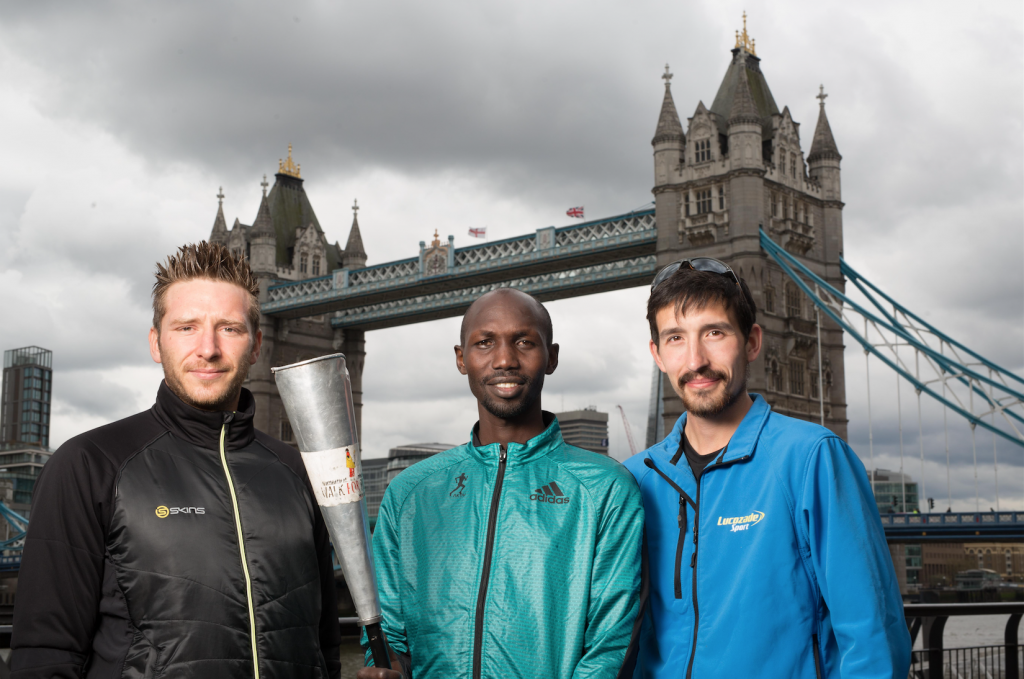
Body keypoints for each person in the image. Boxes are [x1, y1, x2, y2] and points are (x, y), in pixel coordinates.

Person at [12, 243, 341, 679]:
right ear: (156, 342)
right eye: (186, 327)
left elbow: (325, 646)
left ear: (257, 345)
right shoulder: (89, 464)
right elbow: (44, 654)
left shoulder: (299, 472)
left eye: (229, 328)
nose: (208, 348)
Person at [622, 258, 910, 678]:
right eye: (676, 339)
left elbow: (872, 637)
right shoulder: (634, 479)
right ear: (658, 355)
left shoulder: (812, 459)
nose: (696, 359)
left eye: (715, 333)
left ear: (752, 342)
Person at [358, 288, 644, 679]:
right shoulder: (409, 494)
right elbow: (389, 633)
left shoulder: (606, 489)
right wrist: (386, 667)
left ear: (552, 357)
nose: (505, 359)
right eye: (484, 343)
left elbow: (611, 647)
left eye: (525, 342)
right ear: (462, 359)